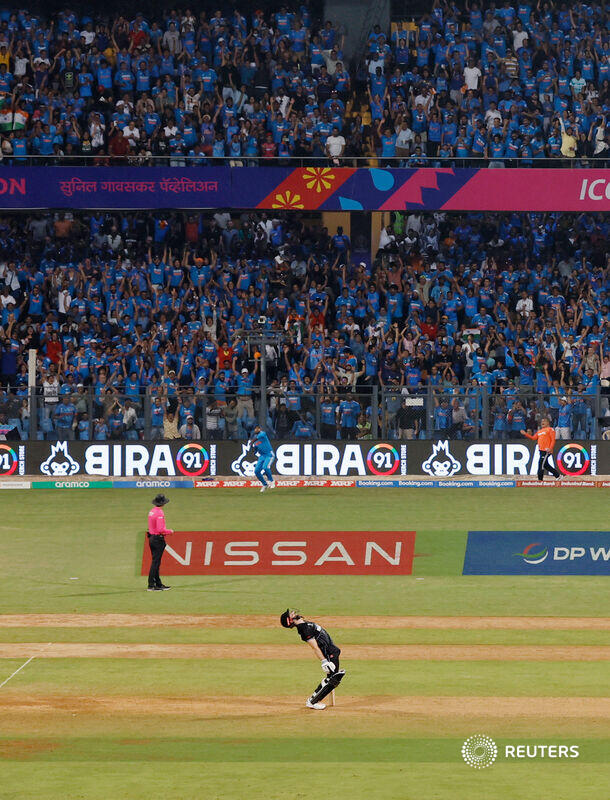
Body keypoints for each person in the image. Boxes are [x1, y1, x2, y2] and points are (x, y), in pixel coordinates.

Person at [280, 609, 346, 710]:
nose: (294, 613)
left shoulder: (304, 624)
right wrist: (324, 661)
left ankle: (314, 700)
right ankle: (312, 701)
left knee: (333, 678)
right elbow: (315, 647)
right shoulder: (304, 629)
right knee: (333, 679)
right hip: (328, 653)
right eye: (291, 614)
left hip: (333, 651)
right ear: (291, 620)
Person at [520, 417, 561, 481]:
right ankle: (558, 475)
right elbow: (533, 438)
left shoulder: (550, 429)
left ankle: (540, 479)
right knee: (545, 465)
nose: (542, 422)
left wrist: (550, 448)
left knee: (541, 464)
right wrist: (525, 434)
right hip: (541, 450)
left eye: (544, 421)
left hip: (546, 450)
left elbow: (553, 440)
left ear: (548, 423)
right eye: (542, 421)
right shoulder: (539, 431)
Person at [146, 494, 173, 591]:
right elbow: (161, 529)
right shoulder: (160, 513)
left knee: (155, 562)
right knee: (156, 563)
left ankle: (158, 583)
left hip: (151, 538)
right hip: (158, 539)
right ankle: (151, 585)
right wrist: (170, 531)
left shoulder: (152, 511)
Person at [249, 424, 275, 492]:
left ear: (260, 429)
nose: (256, 430)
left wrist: (252, 441)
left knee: (265, 467)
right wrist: (253, 449)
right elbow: (255, 450)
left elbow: (257, 438)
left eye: (258, 428)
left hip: (269, 455)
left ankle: (271, 481)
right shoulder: (255, 439)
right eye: (255, 429)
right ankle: (264, 484)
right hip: (262, 456)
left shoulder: (262, 434)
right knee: (257, 471)